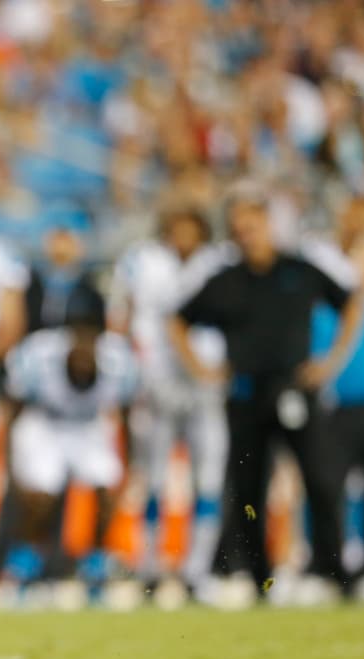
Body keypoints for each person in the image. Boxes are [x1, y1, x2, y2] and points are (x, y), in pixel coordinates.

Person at [169, 181, 364, 602]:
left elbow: (352, 302)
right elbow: (178, 319)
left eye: (253, 224)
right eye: (239, 227)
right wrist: (201, 369)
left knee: (321, 479)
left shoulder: (299, 269)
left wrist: (331, 360)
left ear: (267, 223)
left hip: (295, 389)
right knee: (247, 488)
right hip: (245, 395)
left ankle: (332, 574)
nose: (247, 234)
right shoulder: (225, 280)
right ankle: (258, 577)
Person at [111, 203, 231, 593]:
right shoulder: (141, 260)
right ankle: (148, 564)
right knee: (153, 476)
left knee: (208, 477)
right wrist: (130, 371)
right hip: (156, 380)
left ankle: (198, 568)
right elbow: (121, 318)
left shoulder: (221, 261)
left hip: (207, 382)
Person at [0, 294, 138, 603]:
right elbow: (13, 411)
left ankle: (96, 566)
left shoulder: (120, 361)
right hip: (44, 423)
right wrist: (11, 468)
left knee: (106, 489)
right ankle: (23, 569)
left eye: (92, 338)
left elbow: (126, 418)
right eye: (78, 337)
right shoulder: (38, 353)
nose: (84, 348)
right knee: (41, 496)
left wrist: (128, 468)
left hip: (89, 426)